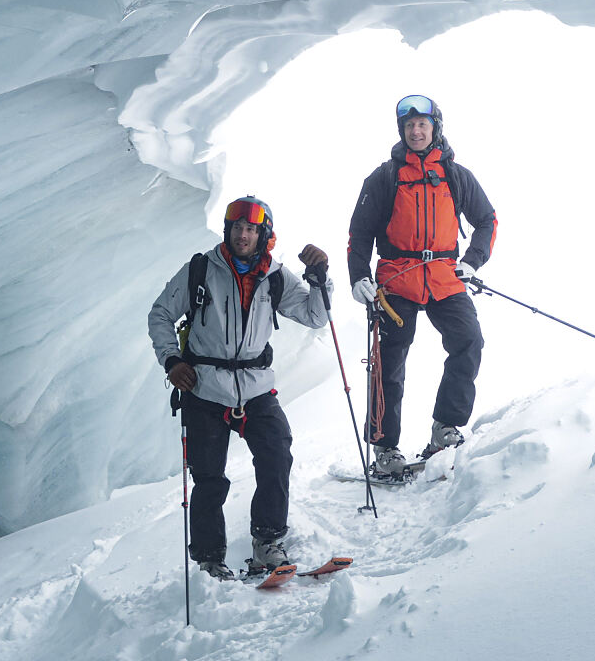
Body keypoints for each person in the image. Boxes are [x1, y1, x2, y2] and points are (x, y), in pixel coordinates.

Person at [148, 195, 332, 581]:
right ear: (228, 230)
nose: (243, 235)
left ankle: (267, 543)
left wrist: (320, 277)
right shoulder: (201, 268)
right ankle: (209, 559)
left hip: (255, 387)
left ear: (264, 234)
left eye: (251, 229)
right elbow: (161, 313)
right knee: (209, 478)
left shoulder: (276, 276)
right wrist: (172, 360)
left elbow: (316, 316)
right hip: (204, 388)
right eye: (237, 228)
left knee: (276, 454)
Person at [347, 95, 497, 476]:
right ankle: (385, 448)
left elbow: (487, 220)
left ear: (435, 129)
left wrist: (471, 261)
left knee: (469, 341)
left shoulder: (456, 175)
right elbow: (359, 235)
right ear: (403, 131)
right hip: (397, 279)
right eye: (410, 126)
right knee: (389, 363)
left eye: (422, 125)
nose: (416, 131)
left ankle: (445, 427)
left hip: (446, 276)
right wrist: (358, 278)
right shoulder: (384, 177)